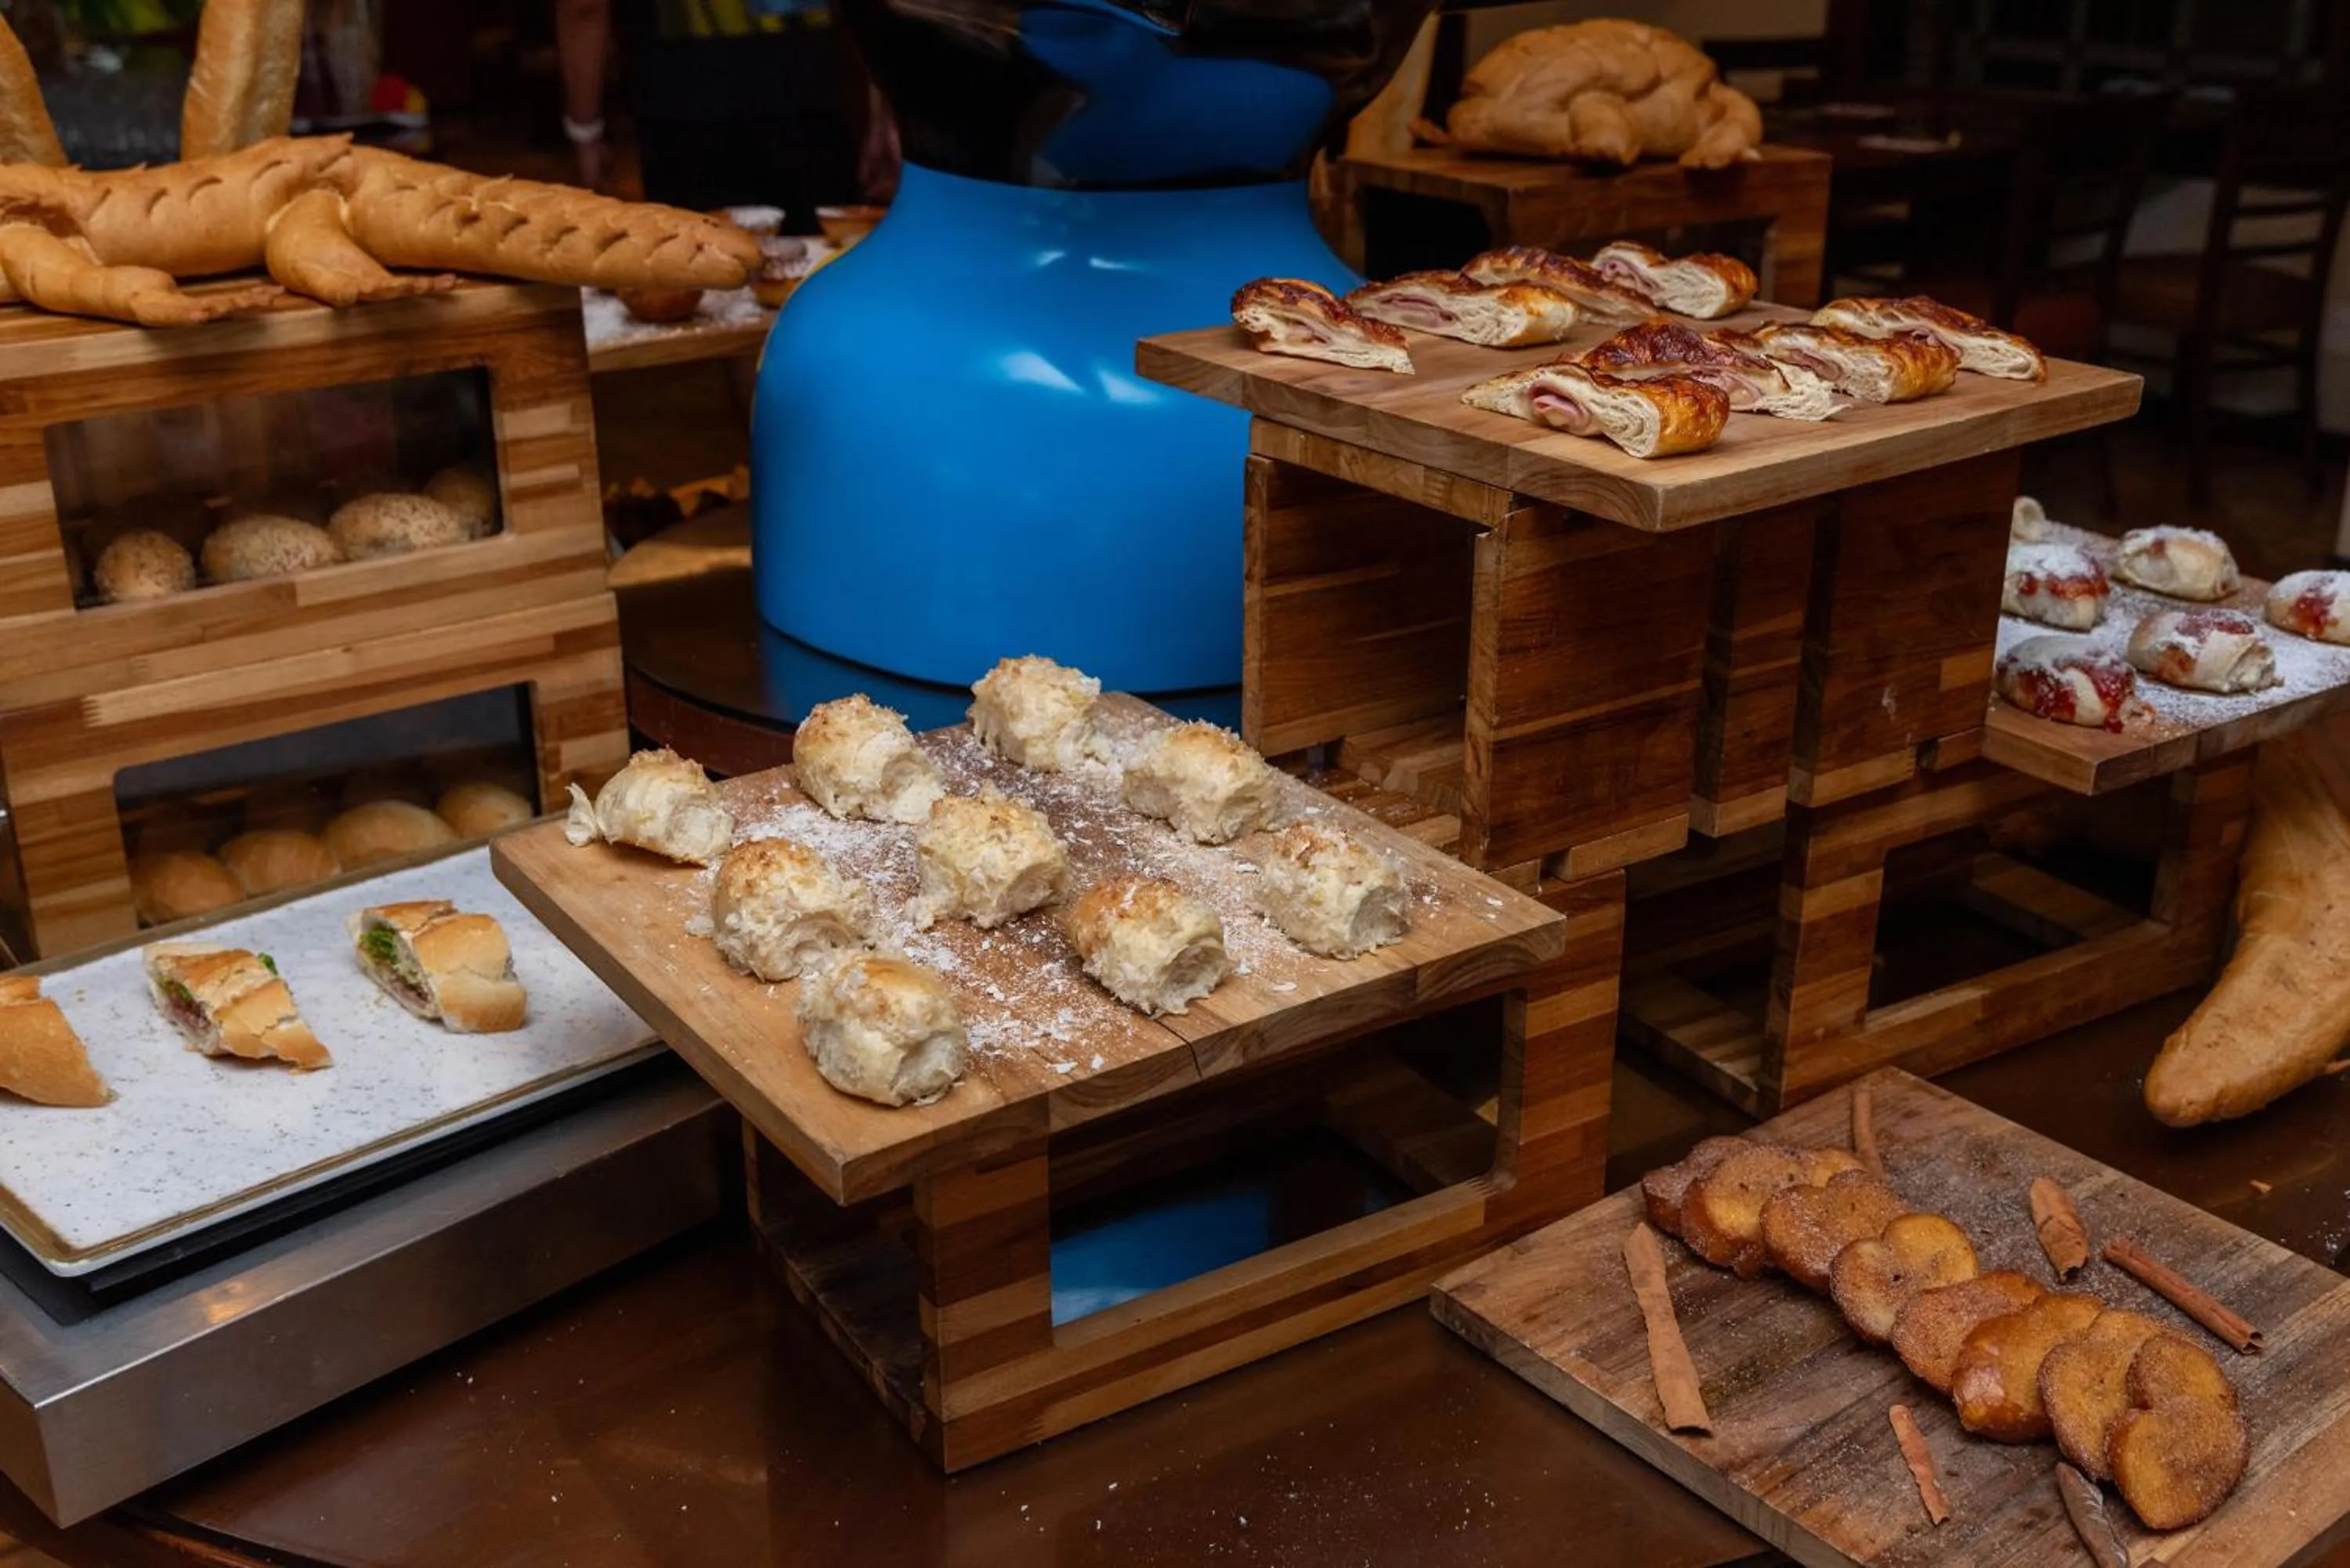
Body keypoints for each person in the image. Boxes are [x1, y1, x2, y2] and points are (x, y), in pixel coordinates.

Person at [554, 0, 886, 226]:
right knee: (821, 275)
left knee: (699, 280)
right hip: (812, 97)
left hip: (682, 109)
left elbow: (583, 8)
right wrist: (887, 104)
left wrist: (585, 130)